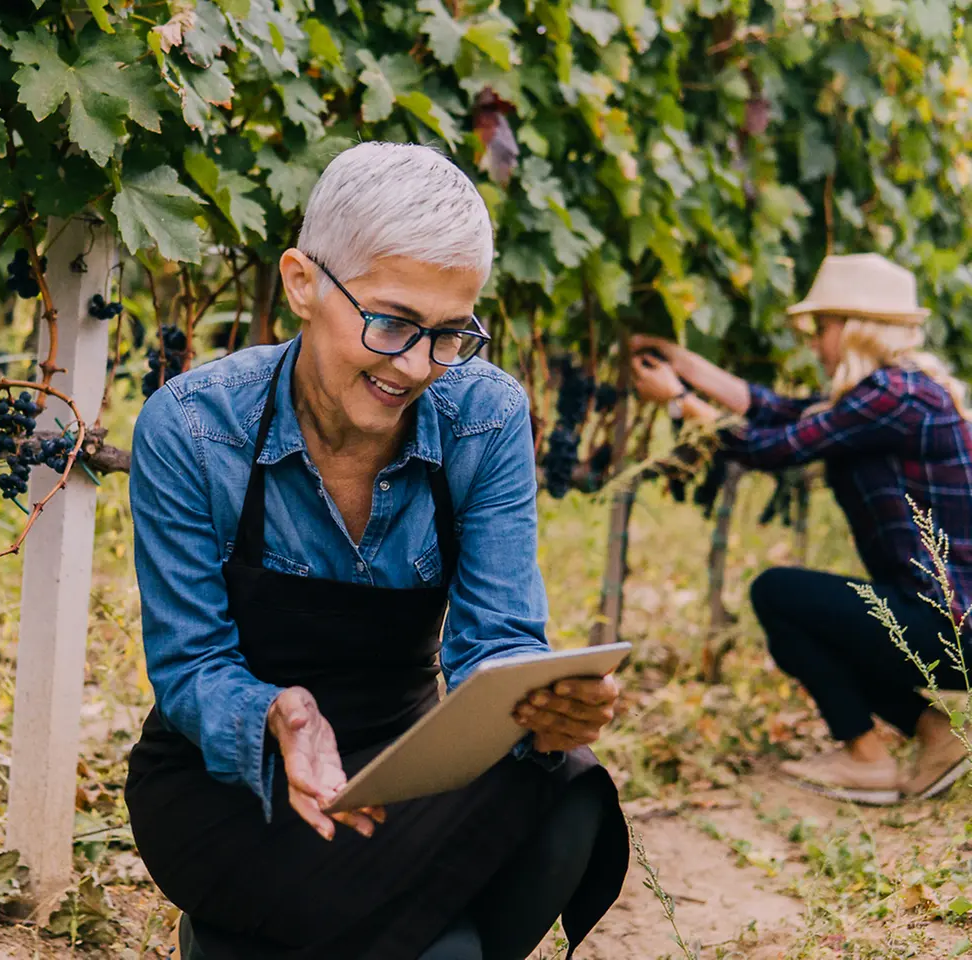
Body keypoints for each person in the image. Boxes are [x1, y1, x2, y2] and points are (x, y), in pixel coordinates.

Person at [124, 141, 628, 960]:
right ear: (302, 283)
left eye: (450, 334)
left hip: (406, 774)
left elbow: (497, 641)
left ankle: (246, 937)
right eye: (391, 323)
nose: (418, 365)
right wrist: (279, 716)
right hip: (233, 790)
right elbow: (190, 667)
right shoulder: (191, 428)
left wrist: (541, 709)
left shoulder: (487, 417)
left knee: (570, 787)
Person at [630, 253, 972, 804]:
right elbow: (781, 411)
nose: (814, 342)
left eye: (822, 327)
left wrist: (678, 402)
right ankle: (936, 735)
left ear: (856, 328)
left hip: (953, 627)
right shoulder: (898, 392)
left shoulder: (894, 395)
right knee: (828, 610)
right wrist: (685, 364)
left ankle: (867, 757)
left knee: (780, 595)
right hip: (950, 620)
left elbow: (771, 447)